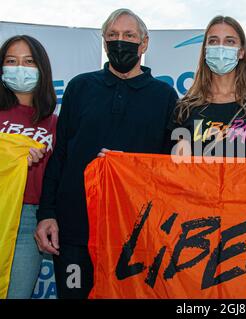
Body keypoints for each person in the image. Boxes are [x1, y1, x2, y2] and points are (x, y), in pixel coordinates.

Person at [34, 8, 178, 299]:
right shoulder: (79, 87)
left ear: (144, 43)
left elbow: (169, 167)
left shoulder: (164, 96)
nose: (119, 41)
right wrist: (47, 213)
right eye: (112, 35)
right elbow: (60, 155)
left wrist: (129, 165)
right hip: (76, 231)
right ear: (103, 41)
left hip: (136, 234)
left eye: (128, 35)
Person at [169, 16, 246, 165]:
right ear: (205, 50)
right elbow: (181, 170)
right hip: (199, 188)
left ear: (241, 52)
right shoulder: (185, 108)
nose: (221, 48)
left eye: (229, 41)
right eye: (213, 41)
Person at [0, 35, 57, 298]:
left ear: (41, 69)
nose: (19, 68)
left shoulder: (54, 123)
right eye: (11, 61)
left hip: (28, 222)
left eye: (28, 61)